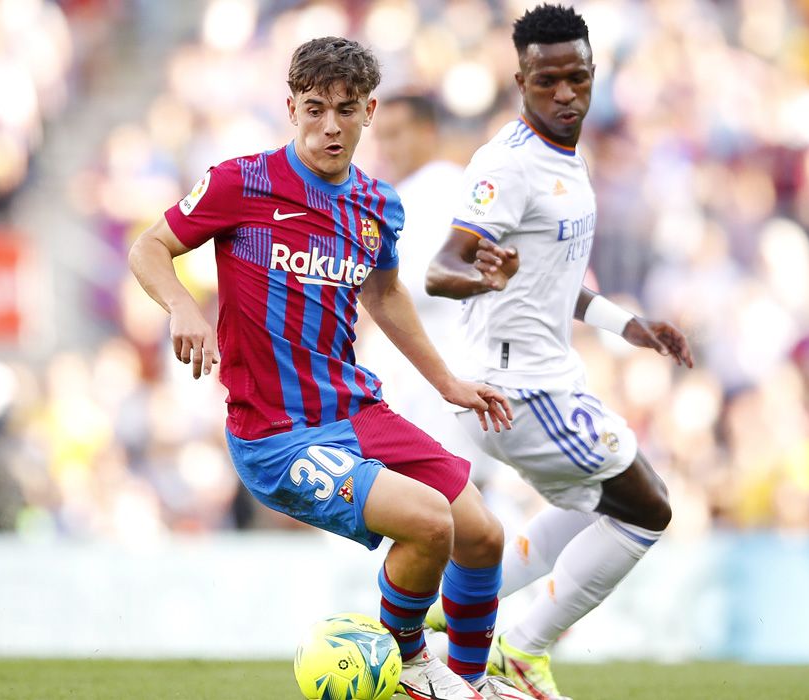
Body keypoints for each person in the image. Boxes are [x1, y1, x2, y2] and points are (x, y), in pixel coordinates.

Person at [128, 37, 537, 700]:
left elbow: (384, 294)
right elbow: (151, 247)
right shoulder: (242, 183)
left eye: (345, 110)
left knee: (483, 534)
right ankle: (410, 671)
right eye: (314, 108)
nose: (330, 126)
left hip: (354, 410)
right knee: (431, 522)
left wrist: (448, 384)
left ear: (369, 111)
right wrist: (182, 307)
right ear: (290, 107)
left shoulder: (378, 205)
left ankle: (468, 683)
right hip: (277, 435)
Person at [426, 6, 694, 700]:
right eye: (548, 81)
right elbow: (439, 269)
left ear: (593, 74)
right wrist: (483, 274)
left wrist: (625, 324)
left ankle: (448, 619)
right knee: (649, 509)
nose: (565, 94)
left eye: (577, 78)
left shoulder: (565, 161)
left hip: (548, 382)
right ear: (521, 80)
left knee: (586, 507)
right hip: (520, 392)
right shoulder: (508, 166)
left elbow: (554, 280)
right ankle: (523, 648)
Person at [370, 94, 507, 489]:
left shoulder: (440, 187)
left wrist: (365, 283)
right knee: (461, 495)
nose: (388, 146)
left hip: (451, 361)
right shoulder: (429, 188)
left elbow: (427, 281)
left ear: (427, 131)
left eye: (397, 134)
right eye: (382, 136)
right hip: (440, 364)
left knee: (449, 492)